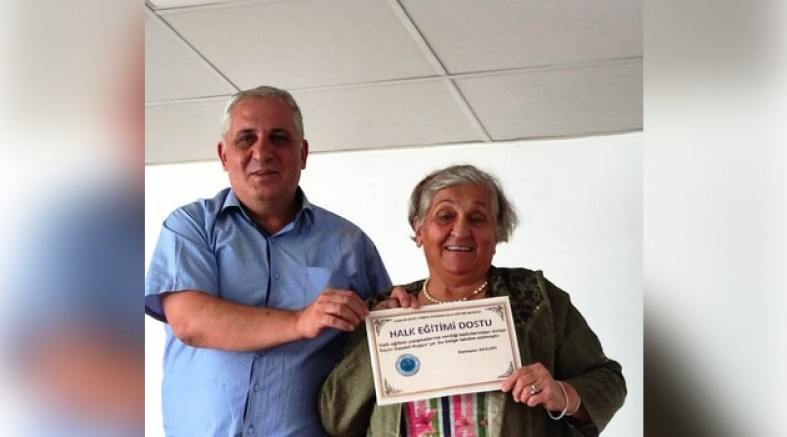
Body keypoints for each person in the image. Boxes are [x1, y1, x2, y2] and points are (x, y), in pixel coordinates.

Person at [145, 85, 392, 436]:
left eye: (279, 138)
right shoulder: (190, 227)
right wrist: (301, 321)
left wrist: (404, 308)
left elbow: (383, 343)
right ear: (224, 155)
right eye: (246, 139)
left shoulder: (350, 244)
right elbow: (191, 323)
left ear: (302, 153)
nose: (262, 152)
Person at [320, 164, 626, 436]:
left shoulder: (536, 299)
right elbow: (336, 417)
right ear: (419, 229)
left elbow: (609, 380)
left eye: (477, 219)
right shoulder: (385, 308)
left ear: (498, 233)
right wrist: (381, 337)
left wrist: (562, 393)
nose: (461, 230)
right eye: (445, 216)